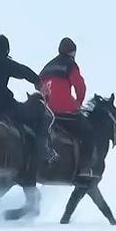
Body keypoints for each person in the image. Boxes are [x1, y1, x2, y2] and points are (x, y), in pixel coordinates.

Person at [0, 34, 50, 178]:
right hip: (0, 103)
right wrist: (38, 82)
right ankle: (41, 151)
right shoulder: (3, 61)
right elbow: (22, 70)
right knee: (35, 116)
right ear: (7, 49)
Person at [40, 37, 95, 174]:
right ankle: (84, 168)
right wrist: (78, 103)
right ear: (72, 52)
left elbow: (39, 84)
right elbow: (80, 86)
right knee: (88, 132)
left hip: (47, 111)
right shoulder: (70, 65)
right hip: (65, 111)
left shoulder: (47, 66)